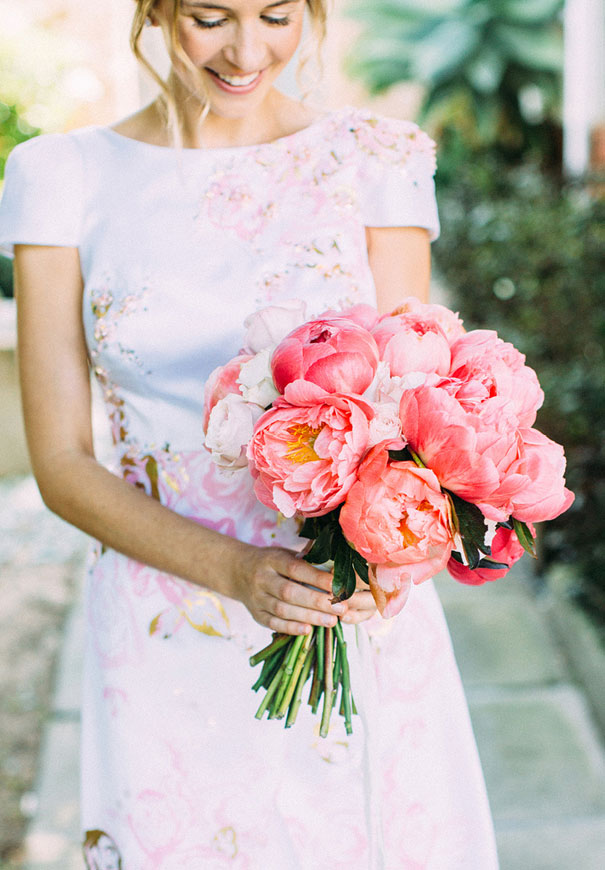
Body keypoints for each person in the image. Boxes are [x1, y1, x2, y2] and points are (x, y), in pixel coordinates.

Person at [0, 0, 500, 866]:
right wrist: (235, 571)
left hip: (341, 603)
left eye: (276, 17)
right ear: (154, 10)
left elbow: (412, 413)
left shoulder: (376, 159)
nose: (245, 51)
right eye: (208, 17)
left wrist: (377, 554)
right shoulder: (62, 175)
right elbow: (61, 465)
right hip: (162, 613)